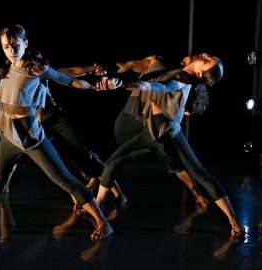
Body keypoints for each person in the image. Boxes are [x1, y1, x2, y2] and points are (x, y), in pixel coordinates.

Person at [0, 24, 112, 240]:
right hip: (9, 134)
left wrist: (95, 86)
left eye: (15, 46)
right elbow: (2, 93)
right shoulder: (8, 68)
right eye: (6, 47)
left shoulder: (35, 69)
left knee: (64, 180)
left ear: (26, 44)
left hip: (29, 136)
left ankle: (103, 223)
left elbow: (70, 80)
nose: (11, 51)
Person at [95, 53, 244, 237]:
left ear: (199, 73)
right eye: (209, 56)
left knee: (198, 172)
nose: (205, 55)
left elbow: (154, 86)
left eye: (207, 61)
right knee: (112, 163)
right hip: (159, 131)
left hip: (163, 133)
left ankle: (232, 218)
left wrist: (123, 84)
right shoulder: (183, 74)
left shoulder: (180, 79)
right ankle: (99, 213)